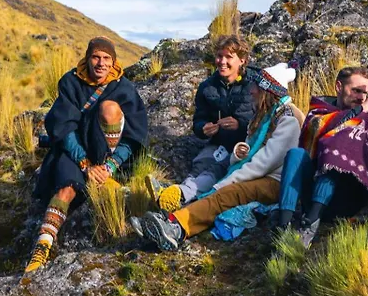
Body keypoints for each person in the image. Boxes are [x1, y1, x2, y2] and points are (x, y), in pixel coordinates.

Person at [137, 63, 303, 250]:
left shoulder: (288, 119)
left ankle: (177, 228)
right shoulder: (265, 116)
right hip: (259, 175)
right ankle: (168, 218)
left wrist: (226, 182)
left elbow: (263, 164)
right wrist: (238, 153)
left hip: (275, 183)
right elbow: (252, 154)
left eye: (256, 87)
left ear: (267, 91)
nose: (251, 91)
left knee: (228, 193)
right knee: (216, 176)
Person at [26, 36, 148, 273]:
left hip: (107, 154)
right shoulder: (71, 82)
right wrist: (84, 164)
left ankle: (105, 177)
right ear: (87, 58)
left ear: (113, 62)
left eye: (107, 58)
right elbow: (64, 128)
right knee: (66, 188)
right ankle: (42, 246)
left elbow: (135, 135)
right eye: (96, 57)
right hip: (75, 151)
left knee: (109, 108)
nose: (101, 63)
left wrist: (109, 166)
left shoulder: (124, 88)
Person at [278, 66, 368, 247]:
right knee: (296, 154)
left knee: (339, 144)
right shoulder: (320, 110)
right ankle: (283, 227)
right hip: (313, 188)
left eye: (365, 92)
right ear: (338, 86)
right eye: (356, 90)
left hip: (349, 195)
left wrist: (364, 112)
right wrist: (360, 111)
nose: (361, 97)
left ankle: (310, 225)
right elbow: (318, 129)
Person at [144, 35, 254, 213]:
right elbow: (198, 120)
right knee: (201, 163)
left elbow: (264, 120)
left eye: (228, 57)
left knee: (218, 169)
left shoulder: (254, 85)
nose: (222, 62)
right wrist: (203, 128)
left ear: (242, 60)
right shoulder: (207, 87)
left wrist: (240, 125)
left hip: (244, 147)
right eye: (219, 56)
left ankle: (179, 195)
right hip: (218, 143)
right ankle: (175, 196)